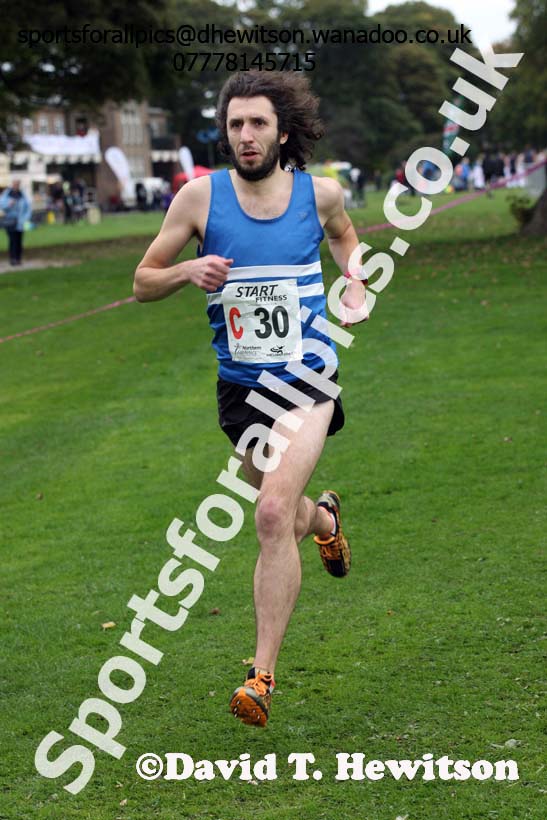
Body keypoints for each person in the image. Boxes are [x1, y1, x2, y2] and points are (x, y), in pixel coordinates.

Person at [134, 71, 367, 727]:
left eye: (256, 123)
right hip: (241, 391)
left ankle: (260, 677)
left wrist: (354, 288)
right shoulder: (197, 201)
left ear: (281, 130)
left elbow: (347, 239)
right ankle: (325, 520)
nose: (244, 134)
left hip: (308, 376)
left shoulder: (318, 194)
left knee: (267, 515)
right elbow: (142, 282)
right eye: (234, 123)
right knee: (288, 515)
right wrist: (185, 270)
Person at [0, 180, 32, 266]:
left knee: (19, 240)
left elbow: (28, 208)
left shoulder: (22, 195)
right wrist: (9, 204)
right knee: (12, 240)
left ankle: (18, 258)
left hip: (20, 222)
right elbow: (2, 205)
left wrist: (26, 218)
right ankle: (12, 258)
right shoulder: (7, 195)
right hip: (10, 221)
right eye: (15, 184)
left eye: (17, 184)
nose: (16, 186)